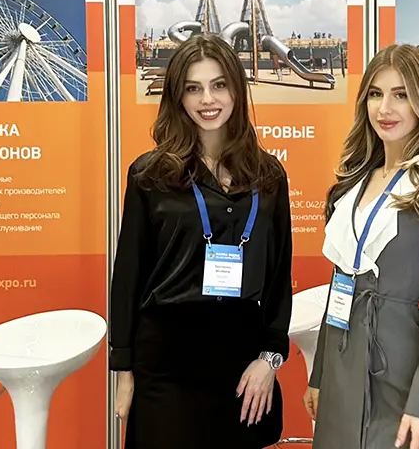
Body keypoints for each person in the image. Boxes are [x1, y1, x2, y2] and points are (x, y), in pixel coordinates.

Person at [109, 34, 293, 449]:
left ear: (236, 90)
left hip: (241, 359)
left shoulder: (269, 176)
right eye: (194, 88)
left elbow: (279, 275)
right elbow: (129, 276)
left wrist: (269, 358)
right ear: (178, 96)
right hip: (166, 361)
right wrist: (124, 371)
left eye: (219, 85)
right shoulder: (149, 175)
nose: (207, 100)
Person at [302, 44, 419, 449]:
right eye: (376, 94)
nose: (385, 108)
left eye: (401, 94)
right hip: (341, 362)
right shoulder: (352, 184)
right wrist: (319, 375)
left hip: (396, 366)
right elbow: (340, 286)